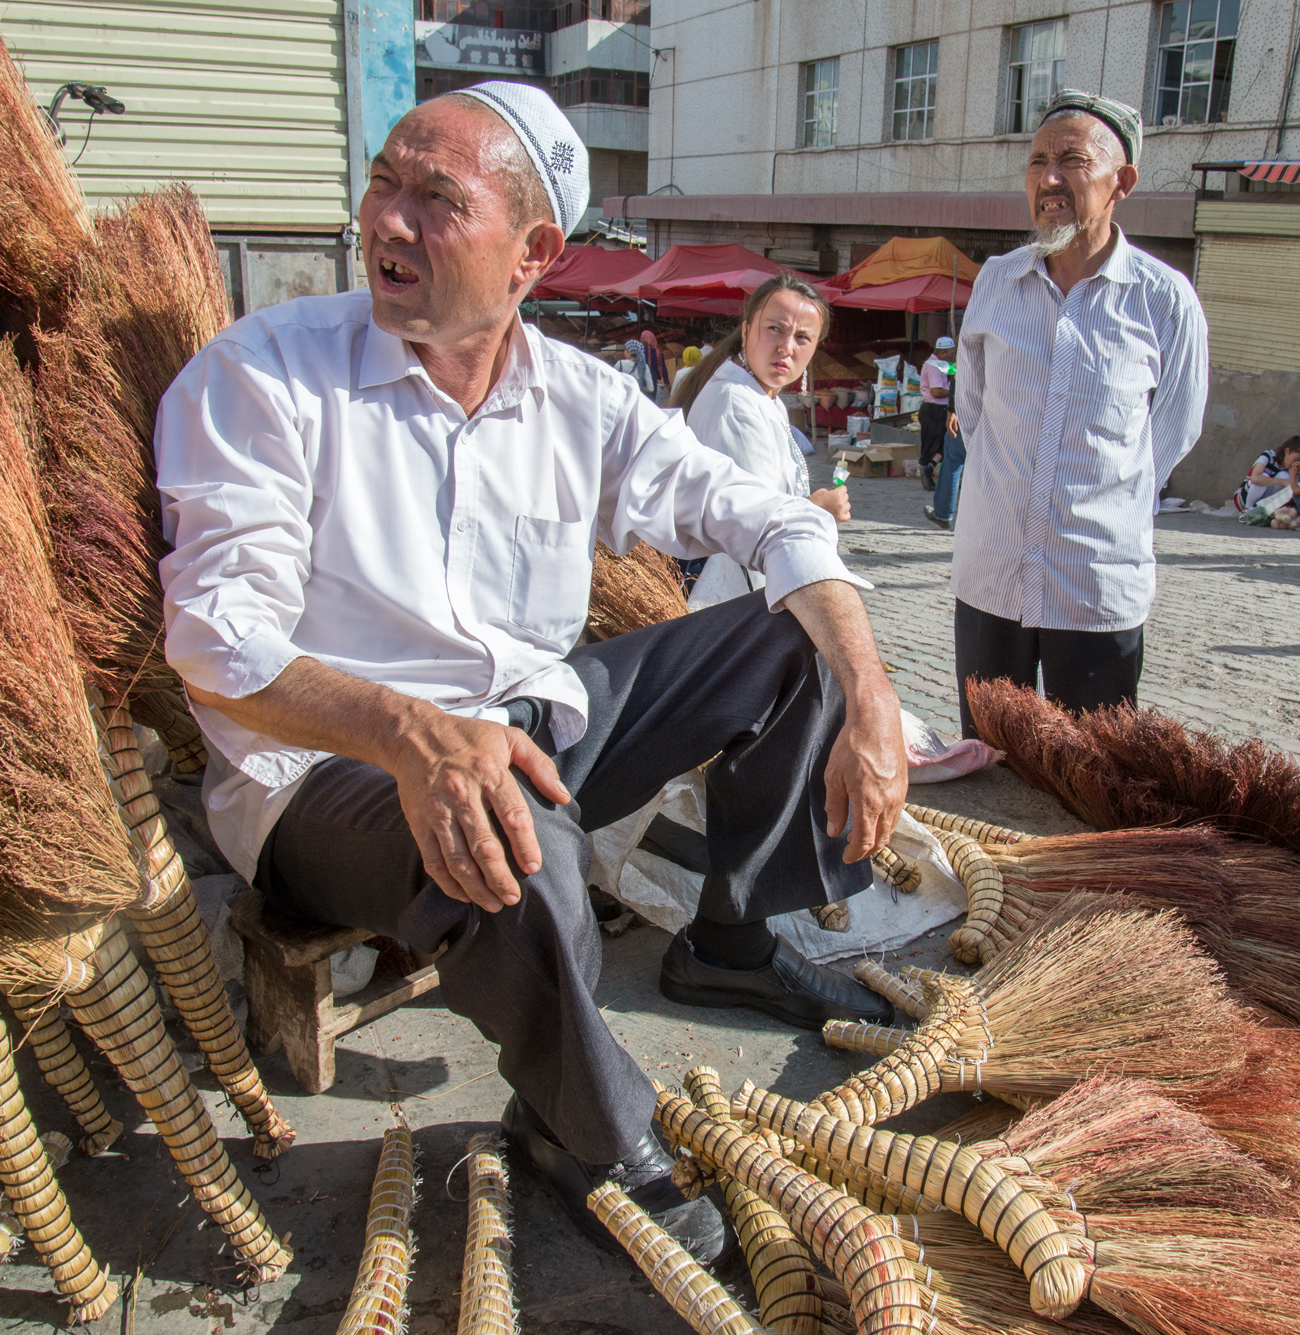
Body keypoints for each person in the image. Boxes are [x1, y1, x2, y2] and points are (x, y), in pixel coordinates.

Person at [154, 81, 906, 1265]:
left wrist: (868, 690)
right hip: (323, 773)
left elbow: (766, 519)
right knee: (508, 826)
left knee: (789, 630)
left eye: (436, 199)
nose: (388, 220)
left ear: (533, 253)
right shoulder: (264, 378)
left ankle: (732, 942)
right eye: (384, 181)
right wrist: (409, 734)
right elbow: (213, 639)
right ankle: (584, 1131)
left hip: (525, 728)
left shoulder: (582, 397)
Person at [950, 89, 1208, 738]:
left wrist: (1102, 500)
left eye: (1072, 160)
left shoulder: (1164, 299)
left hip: (1093, 585)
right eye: (1037, 163)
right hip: (992, 575)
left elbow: (1172, 430)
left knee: (1093, 778)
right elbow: (974, 411)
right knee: (987, 763)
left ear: (1122, 182)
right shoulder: (995, 283)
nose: (1051, 179)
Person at [673, 274, 852, 606]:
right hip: (724, 598)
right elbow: (750, 524)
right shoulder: (736, 405)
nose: (786, 347)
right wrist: (817, 509)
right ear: (745, 331)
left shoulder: (759, 395)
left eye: (802, 337)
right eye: (775, 329)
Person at [1231, 435, 1300, 515]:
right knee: (1264, 476)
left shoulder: (1290, 469)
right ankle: (1246, 511)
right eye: (1295, 459)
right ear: (1287, 451)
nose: (1296, 463)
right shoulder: (1267, 456)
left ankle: (1266, 511)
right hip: (1244, 499)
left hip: (1263, 502)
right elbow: (1255, 478)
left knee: (1284, 475)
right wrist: (1282, 482)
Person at [917, 335, 954, 490]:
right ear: (943, 353)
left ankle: (929, 467)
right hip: (934, 409)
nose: (952, 355)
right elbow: (936, 391)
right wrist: (953, 392)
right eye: (950, 353)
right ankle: (927, 469)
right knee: (933, 443)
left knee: (944, 442)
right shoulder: (933, 366)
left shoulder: (940, 365)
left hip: (937, 409)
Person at [639, 328, 669, 402]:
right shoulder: (658, 351)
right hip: (653, 380)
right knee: (651, 401)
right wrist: (666, 381)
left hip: (641, 379)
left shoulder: (640, 349)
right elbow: (663, 368)